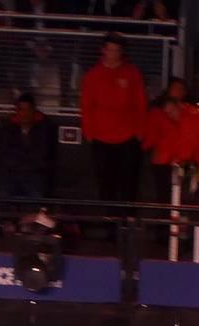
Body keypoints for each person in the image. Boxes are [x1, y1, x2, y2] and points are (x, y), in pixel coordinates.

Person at [80, 33, 148, 204]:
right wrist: (89, 133)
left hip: (128, 137)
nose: (113, 54)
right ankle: (108, 217)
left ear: (122, 52)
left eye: (116, 50)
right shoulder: (93, 75)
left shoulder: (132, 73)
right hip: (101, 138)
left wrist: (139, 133)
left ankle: (128, 217)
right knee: (105, 182)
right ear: (103, 50)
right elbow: (87, 106)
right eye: (110, 50)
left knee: (129, 183)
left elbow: (141, 104)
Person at [0, 92, 57, 201]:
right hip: (13, 175)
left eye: (28, 109)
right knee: (4, 195)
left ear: (33, 110)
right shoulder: (8, 129)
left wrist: (28, 167)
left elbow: (43, 156)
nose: (24, 113)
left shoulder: (45, 129)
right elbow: (5, 155)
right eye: (21, 109)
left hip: (36, 175)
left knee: (36, 195)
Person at [142, 79, 188, 202]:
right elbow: (151, 134)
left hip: (179, 158)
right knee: (165, 193)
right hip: (163, 159)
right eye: (176, 88)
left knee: (176, 193)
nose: (178, 92)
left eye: (181, 89)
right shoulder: (157, 112)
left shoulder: (187, 111)